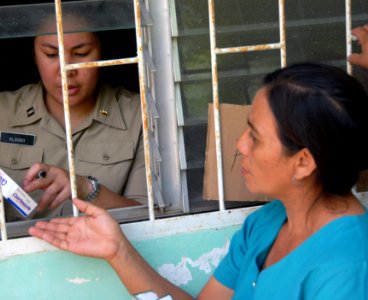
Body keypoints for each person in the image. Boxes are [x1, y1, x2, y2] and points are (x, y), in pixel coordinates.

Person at [29, 62, 368, 299]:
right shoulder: (265, 224)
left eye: (255, 136)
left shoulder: (350, 269)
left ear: (303, 162)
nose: (239, 145)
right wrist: (119, 251)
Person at [0, 24, 146, 230]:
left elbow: (152, 221)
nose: (65, 69)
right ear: (35, 56)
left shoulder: (137, 115)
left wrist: (86, 189)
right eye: (51, 54)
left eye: (81, 53)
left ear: (101, 52)